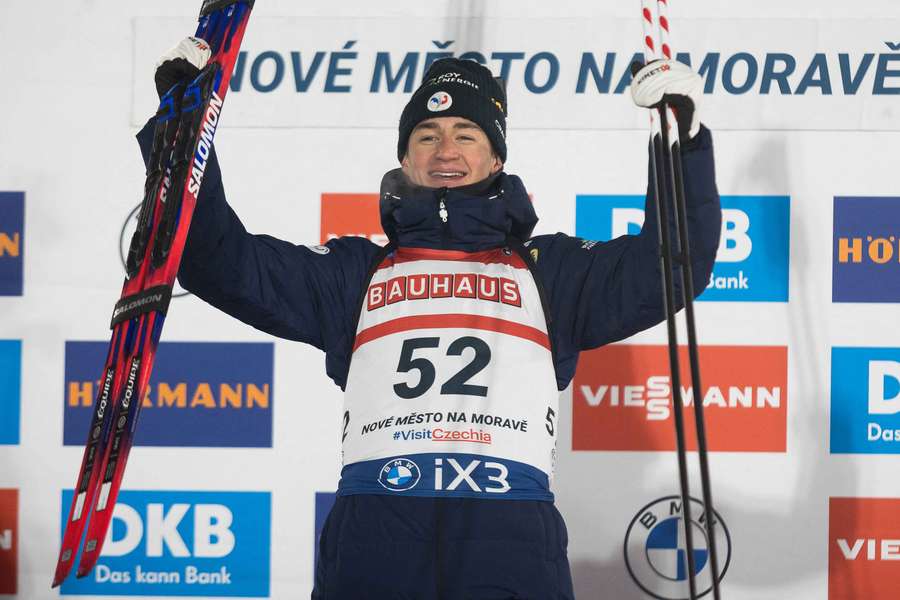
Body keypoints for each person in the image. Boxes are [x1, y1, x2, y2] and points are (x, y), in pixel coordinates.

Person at [142, 37, 721, 600]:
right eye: (428, 135)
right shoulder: (353, 273)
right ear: (405, 156)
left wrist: (680, 143)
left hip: (509, 536)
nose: (446, 151)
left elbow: (671, 264)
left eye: (466, 134)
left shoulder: (552, 273)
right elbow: (218, 261)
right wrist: (181, 129)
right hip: (375, 532)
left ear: (496, 156)